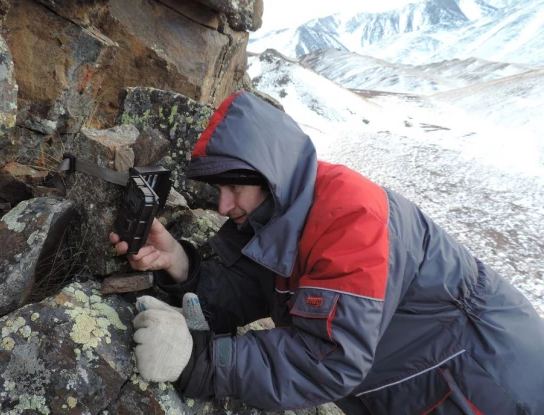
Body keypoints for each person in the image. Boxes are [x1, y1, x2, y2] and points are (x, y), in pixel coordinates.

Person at [111, 91, 544, 414]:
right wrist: (181, 267)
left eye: (234, 188)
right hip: (417, 381)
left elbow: (330, 359)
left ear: (270, 176)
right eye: (219, 189)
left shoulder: (351, 218)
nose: (223, 206)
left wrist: (199, 361)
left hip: (489, 381)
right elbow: (256, 291)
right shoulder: (283, 212)